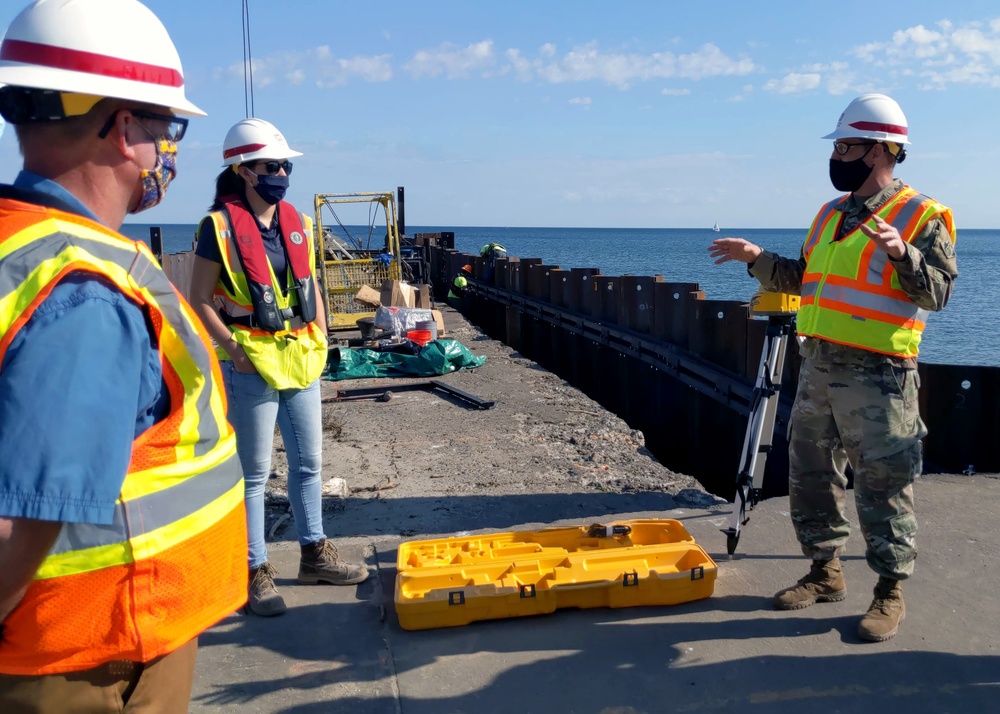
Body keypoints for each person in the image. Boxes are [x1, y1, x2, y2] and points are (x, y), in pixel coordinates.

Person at [0, 1, 248, 710]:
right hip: (84, 658)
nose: (167, 149)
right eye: (167, 127)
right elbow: (23, 519)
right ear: (124, 126)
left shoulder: (17, 244)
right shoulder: (87, 291)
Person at [708, 93, 958, 643]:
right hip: (819, 368)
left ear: (881, 150)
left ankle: (889, 592)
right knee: (811, 476)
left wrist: (902, 254)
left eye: (846, 144)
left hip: (880, 375)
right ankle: (825, 573)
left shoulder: (921, 215)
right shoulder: (830, 214)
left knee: (883, 485)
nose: (838, 155)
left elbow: (938, 293)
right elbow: (804, 278)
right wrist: (756, 259)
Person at [190, 118, 368, 618]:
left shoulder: (295, 221)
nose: (282, 173)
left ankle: (314, 553)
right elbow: (199, 298)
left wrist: (326, 337)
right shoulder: (218, 227)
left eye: (286, 165)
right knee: (254, 474)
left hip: (301, 355)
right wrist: (233, 348)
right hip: (251, 358)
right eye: (272, 165)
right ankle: (254, 571)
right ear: (243, 170)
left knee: (309, 464)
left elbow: (309, 285)